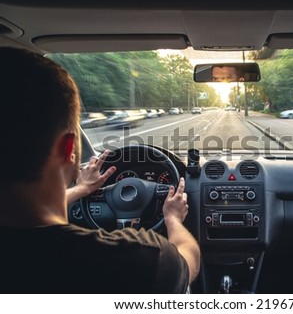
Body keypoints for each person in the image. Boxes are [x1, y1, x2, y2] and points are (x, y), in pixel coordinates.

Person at [0, 47, 200, 293]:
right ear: (69, 148)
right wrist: (172, 218)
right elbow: (188, 258)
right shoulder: (140, 261)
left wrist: (82, 190)